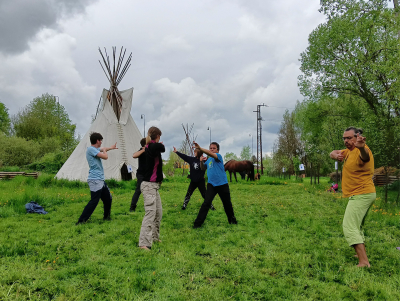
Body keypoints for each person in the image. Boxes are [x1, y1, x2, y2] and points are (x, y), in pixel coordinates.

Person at [330, 127, 376, 267]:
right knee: (358, 225)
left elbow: (365, 156)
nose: (346, 141)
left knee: (349, 226)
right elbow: (332, 152)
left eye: (349, 138)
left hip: (362, 193)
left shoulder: (362, 150)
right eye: (344, 138)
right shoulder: (349, 151)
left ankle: (363, 261)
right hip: (363, 193)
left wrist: (361, 147)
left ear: (358, 137)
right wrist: (334, 155)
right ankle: (360, 253)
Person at [193, 141, 237, 228]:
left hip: (222, 184)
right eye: (211, 148)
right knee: (206, 203)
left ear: (218, 150)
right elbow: (202, 168)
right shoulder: (208, 160)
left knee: (227, 203)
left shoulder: (218, 157)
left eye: (214, 148)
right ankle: (197, 224)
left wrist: (200, 148)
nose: (212, 150)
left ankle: (232, 221)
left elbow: (210, 154)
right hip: (211, 185)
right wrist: (201, 161)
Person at [76, 132, 117, 224]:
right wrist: (105, 151)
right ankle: (81, 221)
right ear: (97, 140)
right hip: (95, 179)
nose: (101, 142)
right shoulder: (91, 150)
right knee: (94, 201)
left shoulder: (95, 149)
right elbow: (105, 156)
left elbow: (103, 148)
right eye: (101, 141)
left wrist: (111, 148)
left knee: (108, 198)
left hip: (100, 179)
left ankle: (106, 217)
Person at [138, 126, 165, 250]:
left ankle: (154, 237)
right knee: (150, 213)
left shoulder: (151, 148)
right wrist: (155, 142)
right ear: (158, 136)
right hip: (148, 185)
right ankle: (144, 243)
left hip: (154, 186)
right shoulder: (152, 146)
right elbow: (162, 147)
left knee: (158, 213)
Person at [173, 146, 215, 211]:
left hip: (201, 181)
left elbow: (206, 165)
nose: (194, 153)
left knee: (204, 194)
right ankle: (184, 205)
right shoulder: (192, 159)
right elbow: (184, 156)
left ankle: (211, 205)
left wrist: (204, 160)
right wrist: (176, 152)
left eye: (195, 152)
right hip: (193, 181)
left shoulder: (204, 161)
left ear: (199, 153)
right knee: (189, 193)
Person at [130, 138, 147, 212]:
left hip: (149, 174)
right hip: (141, 174)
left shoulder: (149, 151)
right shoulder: (141, 151)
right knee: (138, 190)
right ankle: (132, 207)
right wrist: (143, 150)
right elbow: (134, 155)